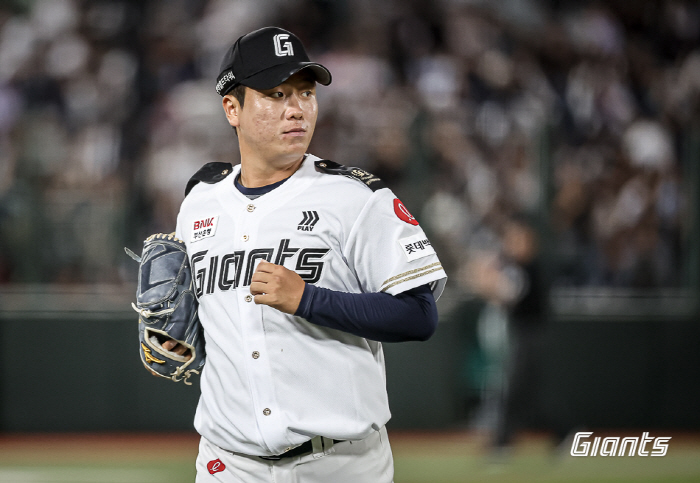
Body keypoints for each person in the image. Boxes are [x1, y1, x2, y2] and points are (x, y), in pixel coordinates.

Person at [168, 27, 447, 482]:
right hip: (229, 465)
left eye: (305, 92)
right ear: (231, 108)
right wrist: (178, 335)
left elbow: (420, 316)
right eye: (276, 94)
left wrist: (308, 299)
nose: (296, 109)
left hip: (341, 463)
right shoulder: (200, 199)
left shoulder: (354, 197)